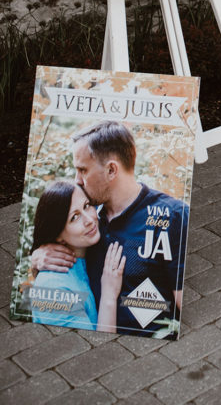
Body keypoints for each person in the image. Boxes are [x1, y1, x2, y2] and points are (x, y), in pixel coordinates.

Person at [31, 121, 189, 337]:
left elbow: (187, 306)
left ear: (111, 170)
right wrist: (37, 256)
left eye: (82, 170)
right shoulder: (91, 221)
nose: (77, 180)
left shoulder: (173, 216)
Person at [29, 180, 124, 332]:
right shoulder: (54, 290)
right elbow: (92, 352)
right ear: (57, 233)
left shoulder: (87, 255)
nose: (89, 220)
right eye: (74, 217)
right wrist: (109, 295)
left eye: (87, 206)